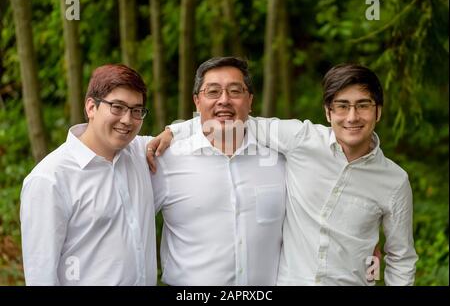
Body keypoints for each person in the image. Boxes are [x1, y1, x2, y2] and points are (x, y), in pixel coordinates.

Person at [150, 62, 417, 285]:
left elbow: (401, 257)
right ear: (327, 112)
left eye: (363, 105)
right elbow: (233, 117)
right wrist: (176, 130)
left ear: (378, 111)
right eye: (342, 106)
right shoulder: (301, 140)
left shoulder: (394, 181)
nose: (352, 117)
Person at [150, 57, 287, 285]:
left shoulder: (281, 160)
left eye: (235, 91)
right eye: (212, 92)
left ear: (250, 100)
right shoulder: (166, 161)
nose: (224, 100)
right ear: (196, 101)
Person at [20, 64, 157, 285]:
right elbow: (41, 275)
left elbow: (198, 139)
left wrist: (173, 132)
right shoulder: (50, 179)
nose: (127, 120)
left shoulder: (141, 153)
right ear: (91, 107)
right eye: (117, 107)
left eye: (136, 110)